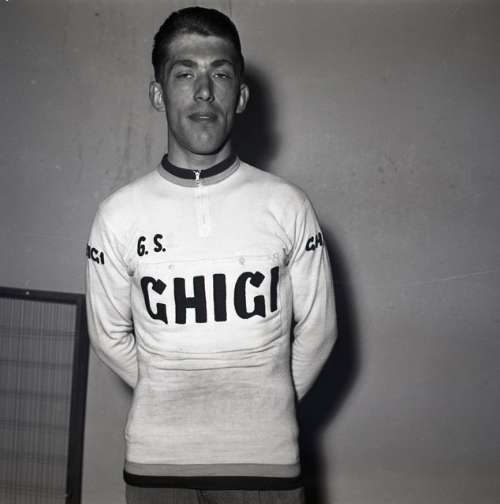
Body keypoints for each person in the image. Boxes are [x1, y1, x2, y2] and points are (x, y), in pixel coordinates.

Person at [85, 6, 337, 504]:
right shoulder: (118, 215)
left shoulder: (287, 205)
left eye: (220, 74)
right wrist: (171, 395)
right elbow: (108, 336)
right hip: (157, 468)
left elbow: (319, 329)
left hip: (267, 467)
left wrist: (263, 404)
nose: (204, 91)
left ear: (240, 95)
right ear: (158, 94)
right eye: (185, 74)